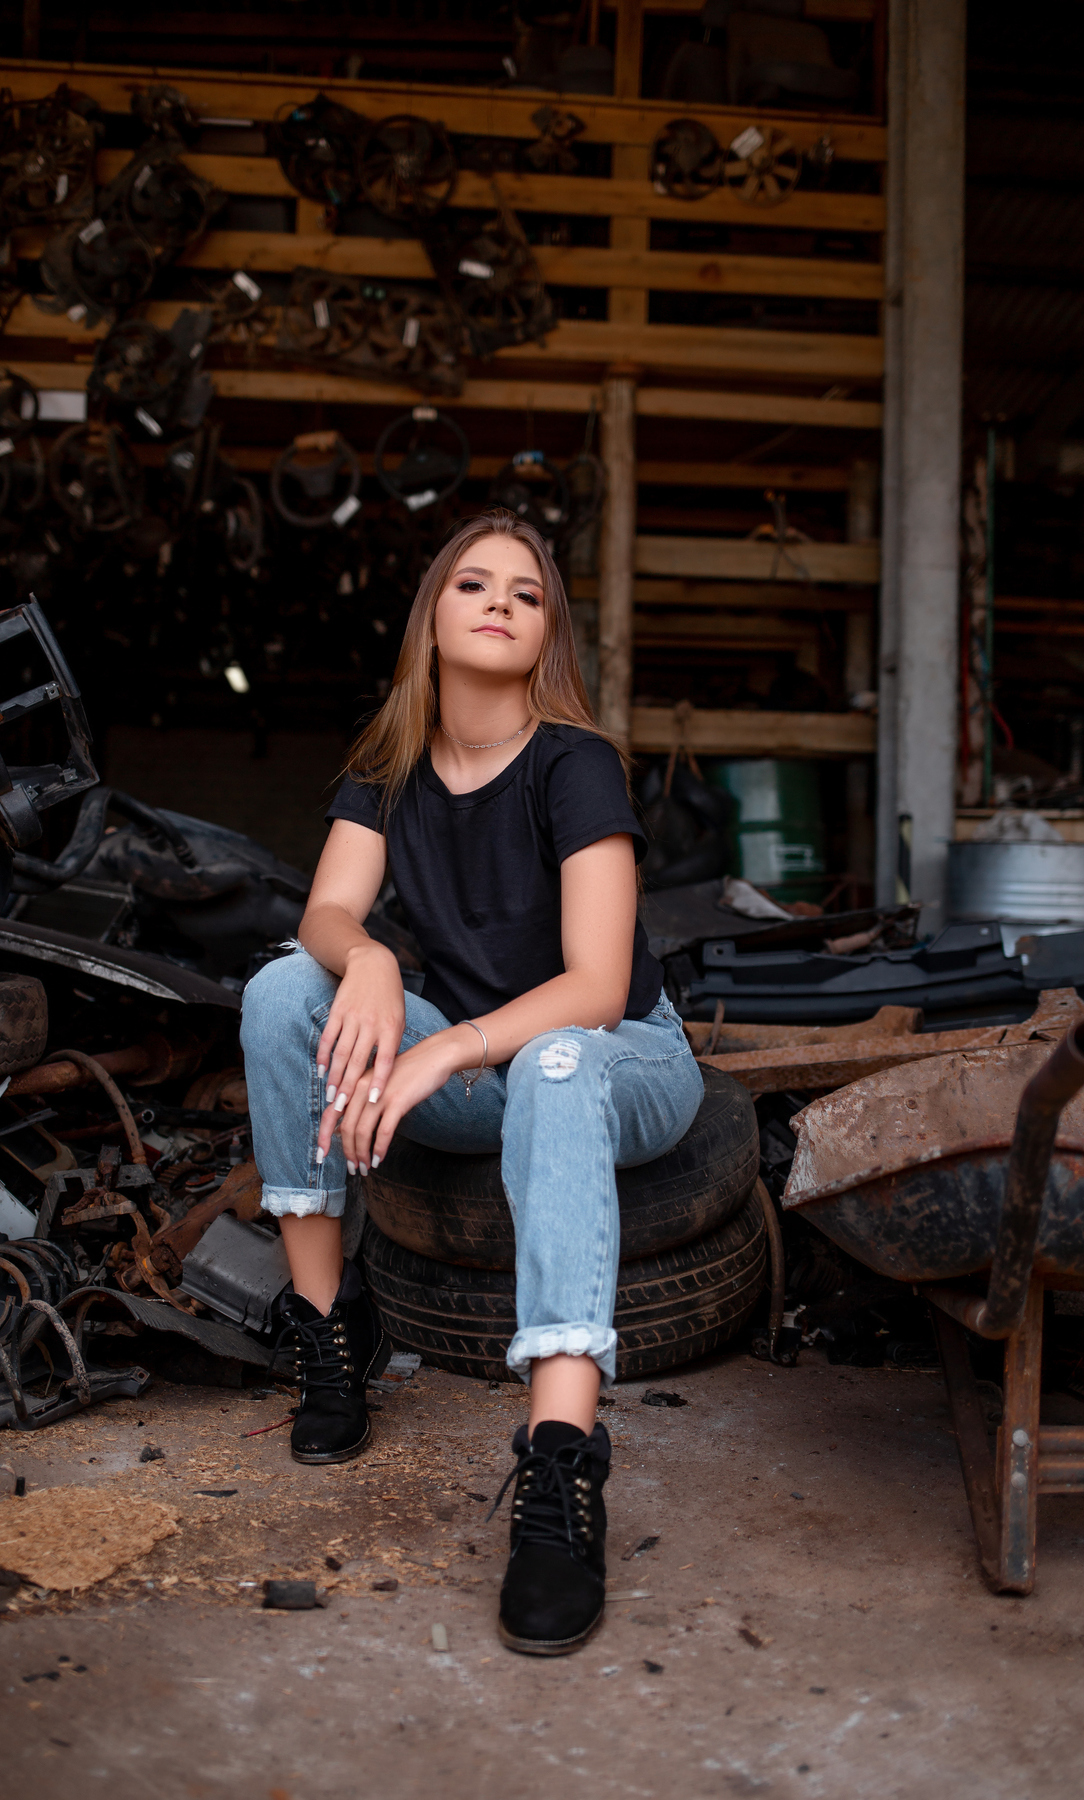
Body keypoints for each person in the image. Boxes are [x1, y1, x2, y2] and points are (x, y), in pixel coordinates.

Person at [240, 509, 703, 1655]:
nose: (499, 600)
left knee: (548, 1057)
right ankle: (331, 1329)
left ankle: (561, 1473)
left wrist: (442, 1044)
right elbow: (327, 914)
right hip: (495, 1070)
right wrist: (378, 961)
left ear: (546, 634)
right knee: (280, 991)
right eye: (473, 583)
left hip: (614, 1060)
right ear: (434, 618)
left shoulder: (573, 762)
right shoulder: (388, 766)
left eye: (527, 592)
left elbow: (596, 985)